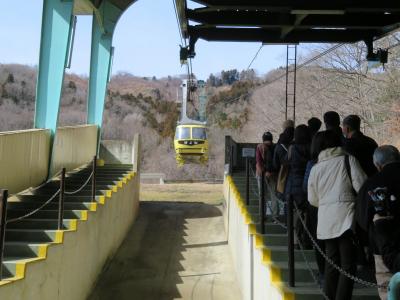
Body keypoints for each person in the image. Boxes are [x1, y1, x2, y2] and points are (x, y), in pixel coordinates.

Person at [308, 130, 367, 300]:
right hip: (346, 217)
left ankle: (329, 297)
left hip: (325, 218)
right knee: (348, 265)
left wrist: (327, 204)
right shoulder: (348, 160)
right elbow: (361, 186)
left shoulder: (316, 167)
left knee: (331, 264)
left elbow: (312, 199)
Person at [355, 145, 400, 299]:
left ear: (377, 164)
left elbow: (362, 218)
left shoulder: (372, 183)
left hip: (383, 246)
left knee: (388, 290)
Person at [285, 124, 312, 249]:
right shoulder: (312, 148)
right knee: (307, 214)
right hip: (309, 184)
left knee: (295, 214)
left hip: (293, 184)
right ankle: (306, 240)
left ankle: (295, 242)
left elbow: (285, 163)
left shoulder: (292, 148)